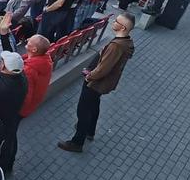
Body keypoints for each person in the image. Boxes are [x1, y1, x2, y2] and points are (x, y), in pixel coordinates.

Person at [58, 12, 135, 153]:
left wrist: (89, 76)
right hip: (102, 84)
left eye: (117, 21)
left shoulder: (116, 46)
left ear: (123, 28)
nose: (114, 21)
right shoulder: (125, 43)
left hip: (95, 83)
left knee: (83, 111)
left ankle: (77, 142)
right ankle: (90, 130)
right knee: (93, 105)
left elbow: (103, 69)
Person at [0, 51, 27, 174]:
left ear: (3, 66)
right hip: (12, 117)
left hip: (0, 120)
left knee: (2, 145)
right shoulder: (22, 78)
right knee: (10, 140)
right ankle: (8, 165)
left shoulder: (0, 83)